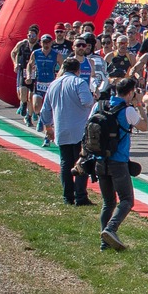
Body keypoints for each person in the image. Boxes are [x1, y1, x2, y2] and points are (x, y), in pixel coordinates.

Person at [89, 76, 144, 252]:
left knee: (108, 202)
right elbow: (145, 126)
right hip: (118, 161)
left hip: (99, 160)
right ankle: (111, 228)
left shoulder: (100, 105)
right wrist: (141, 105)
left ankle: (104, 243)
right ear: (130, 93)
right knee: (127, 200)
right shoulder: (128, 110)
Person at [39, 56, 95, 205]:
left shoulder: (54, 84)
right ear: (78, 70)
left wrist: (48, 126)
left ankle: (67, 196)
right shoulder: (79, 82)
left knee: (65, 163)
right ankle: (80, 195)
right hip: (79, 129)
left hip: (61, 127)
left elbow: (45, 109)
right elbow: (87, 102)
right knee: (81, 162)